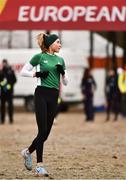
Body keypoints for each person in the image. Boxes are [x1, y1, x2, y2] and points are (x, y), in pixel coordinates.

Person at [20, 32, 68, 177]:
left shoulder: (61, 60)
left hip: (53, 96)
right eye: (58, 42)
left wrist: (63, 74)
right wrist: (37, 74)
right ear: (51, 44)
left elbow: (66, 82)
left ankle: (27, 152)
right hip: (41, 94)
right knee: (42, 131)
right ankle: (40, 166)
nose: (60, 45)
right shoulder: (39, 57)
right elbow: (23, 71)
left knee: (45, 134)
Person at [0, 59, 17, 124]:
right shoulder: (1, 72)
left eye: (5, 63)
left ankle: (11, 120)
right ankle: (2, 120)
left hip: (10, 92)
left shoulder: (11, 71)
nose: (4, 64)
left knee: (10, 106)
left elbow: (15, 80)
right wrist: (2, 84)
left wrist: (10, 85)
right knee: (2, 106)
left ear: (7, 63)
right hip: (3, 92)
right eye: (3, 63)